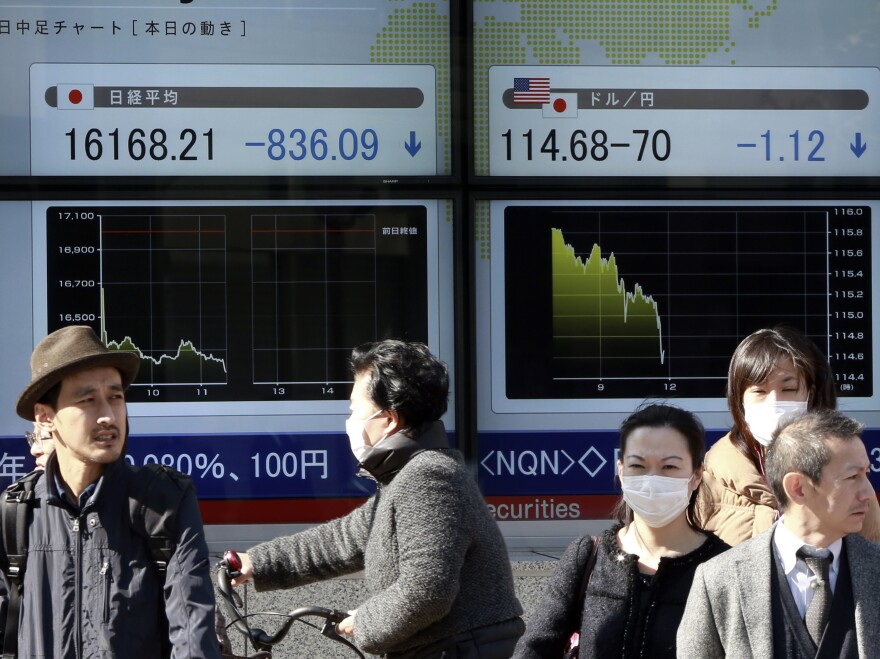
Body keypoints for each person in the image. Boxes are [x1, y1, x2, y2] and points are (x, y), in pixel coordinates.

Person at [229, 340, 524, 659]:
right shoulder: (406, 476)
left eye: (356, 410)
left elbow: (428, 590)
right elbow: (341, 541)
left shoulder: (428, 477)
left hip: (461, 650)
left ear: (390, 418)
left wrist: (365, 622)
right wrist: (257, 563)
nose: (350, 420)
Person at [0, 325, 221, 658]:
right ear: (46, 418)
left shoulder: (163, 504)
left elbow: (193, 640)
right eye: (88, 400)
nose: (107, 415)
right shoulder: (17, 514)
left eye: (115, 397)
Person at [513, 403, 729, 659]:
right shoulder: (588, 557)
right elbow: (534, 649)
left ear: (696, 475)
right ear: (620, 470)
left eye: (669, 467)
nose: (651, 480)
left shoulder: (724, 567)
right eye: (638, 466)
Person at [677, 409, 880, 658]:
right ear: (797, 488)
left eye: (866, 474)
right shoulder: (719, 579)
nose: (868, 493)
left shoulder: (874, 568)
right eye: (852, 477)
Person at [694, 325, 880, 545]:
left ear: (810, 395)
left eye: (789, 390)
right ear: (739, 399)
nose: (774, 402)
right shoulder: (710, 479)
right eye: (759, 391)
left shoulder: (845, 469)